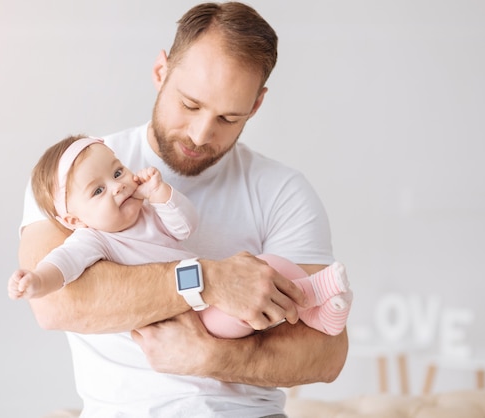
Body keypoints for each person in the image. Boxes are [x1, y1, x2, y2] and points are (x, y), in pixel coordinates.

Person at [18, 2, 350, 417]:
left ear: (257, 105)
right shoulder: (74, 179)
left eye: (229, 117)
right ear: (161, 72)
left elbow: (327, 353)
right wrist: (208, 278)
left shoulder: (283, 191)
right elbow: (55, 305)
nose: (201, 133)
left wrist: (212, 357)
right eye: (190, 105)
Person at [9, 135, 352, 338]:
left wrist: (161, 195)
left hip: (214, 297)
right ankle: (312, 300)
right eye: (98, 190)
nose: (118, 186)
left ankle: (314, 308)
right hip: (198, 318)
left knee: (268, 266)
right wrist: (38, 281)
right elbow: (63, 264)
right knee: (245, 307)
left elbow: (185, 226)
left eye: (117, 172)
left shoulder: (146, 211)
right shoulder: (94, 240)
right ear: (74, 219)